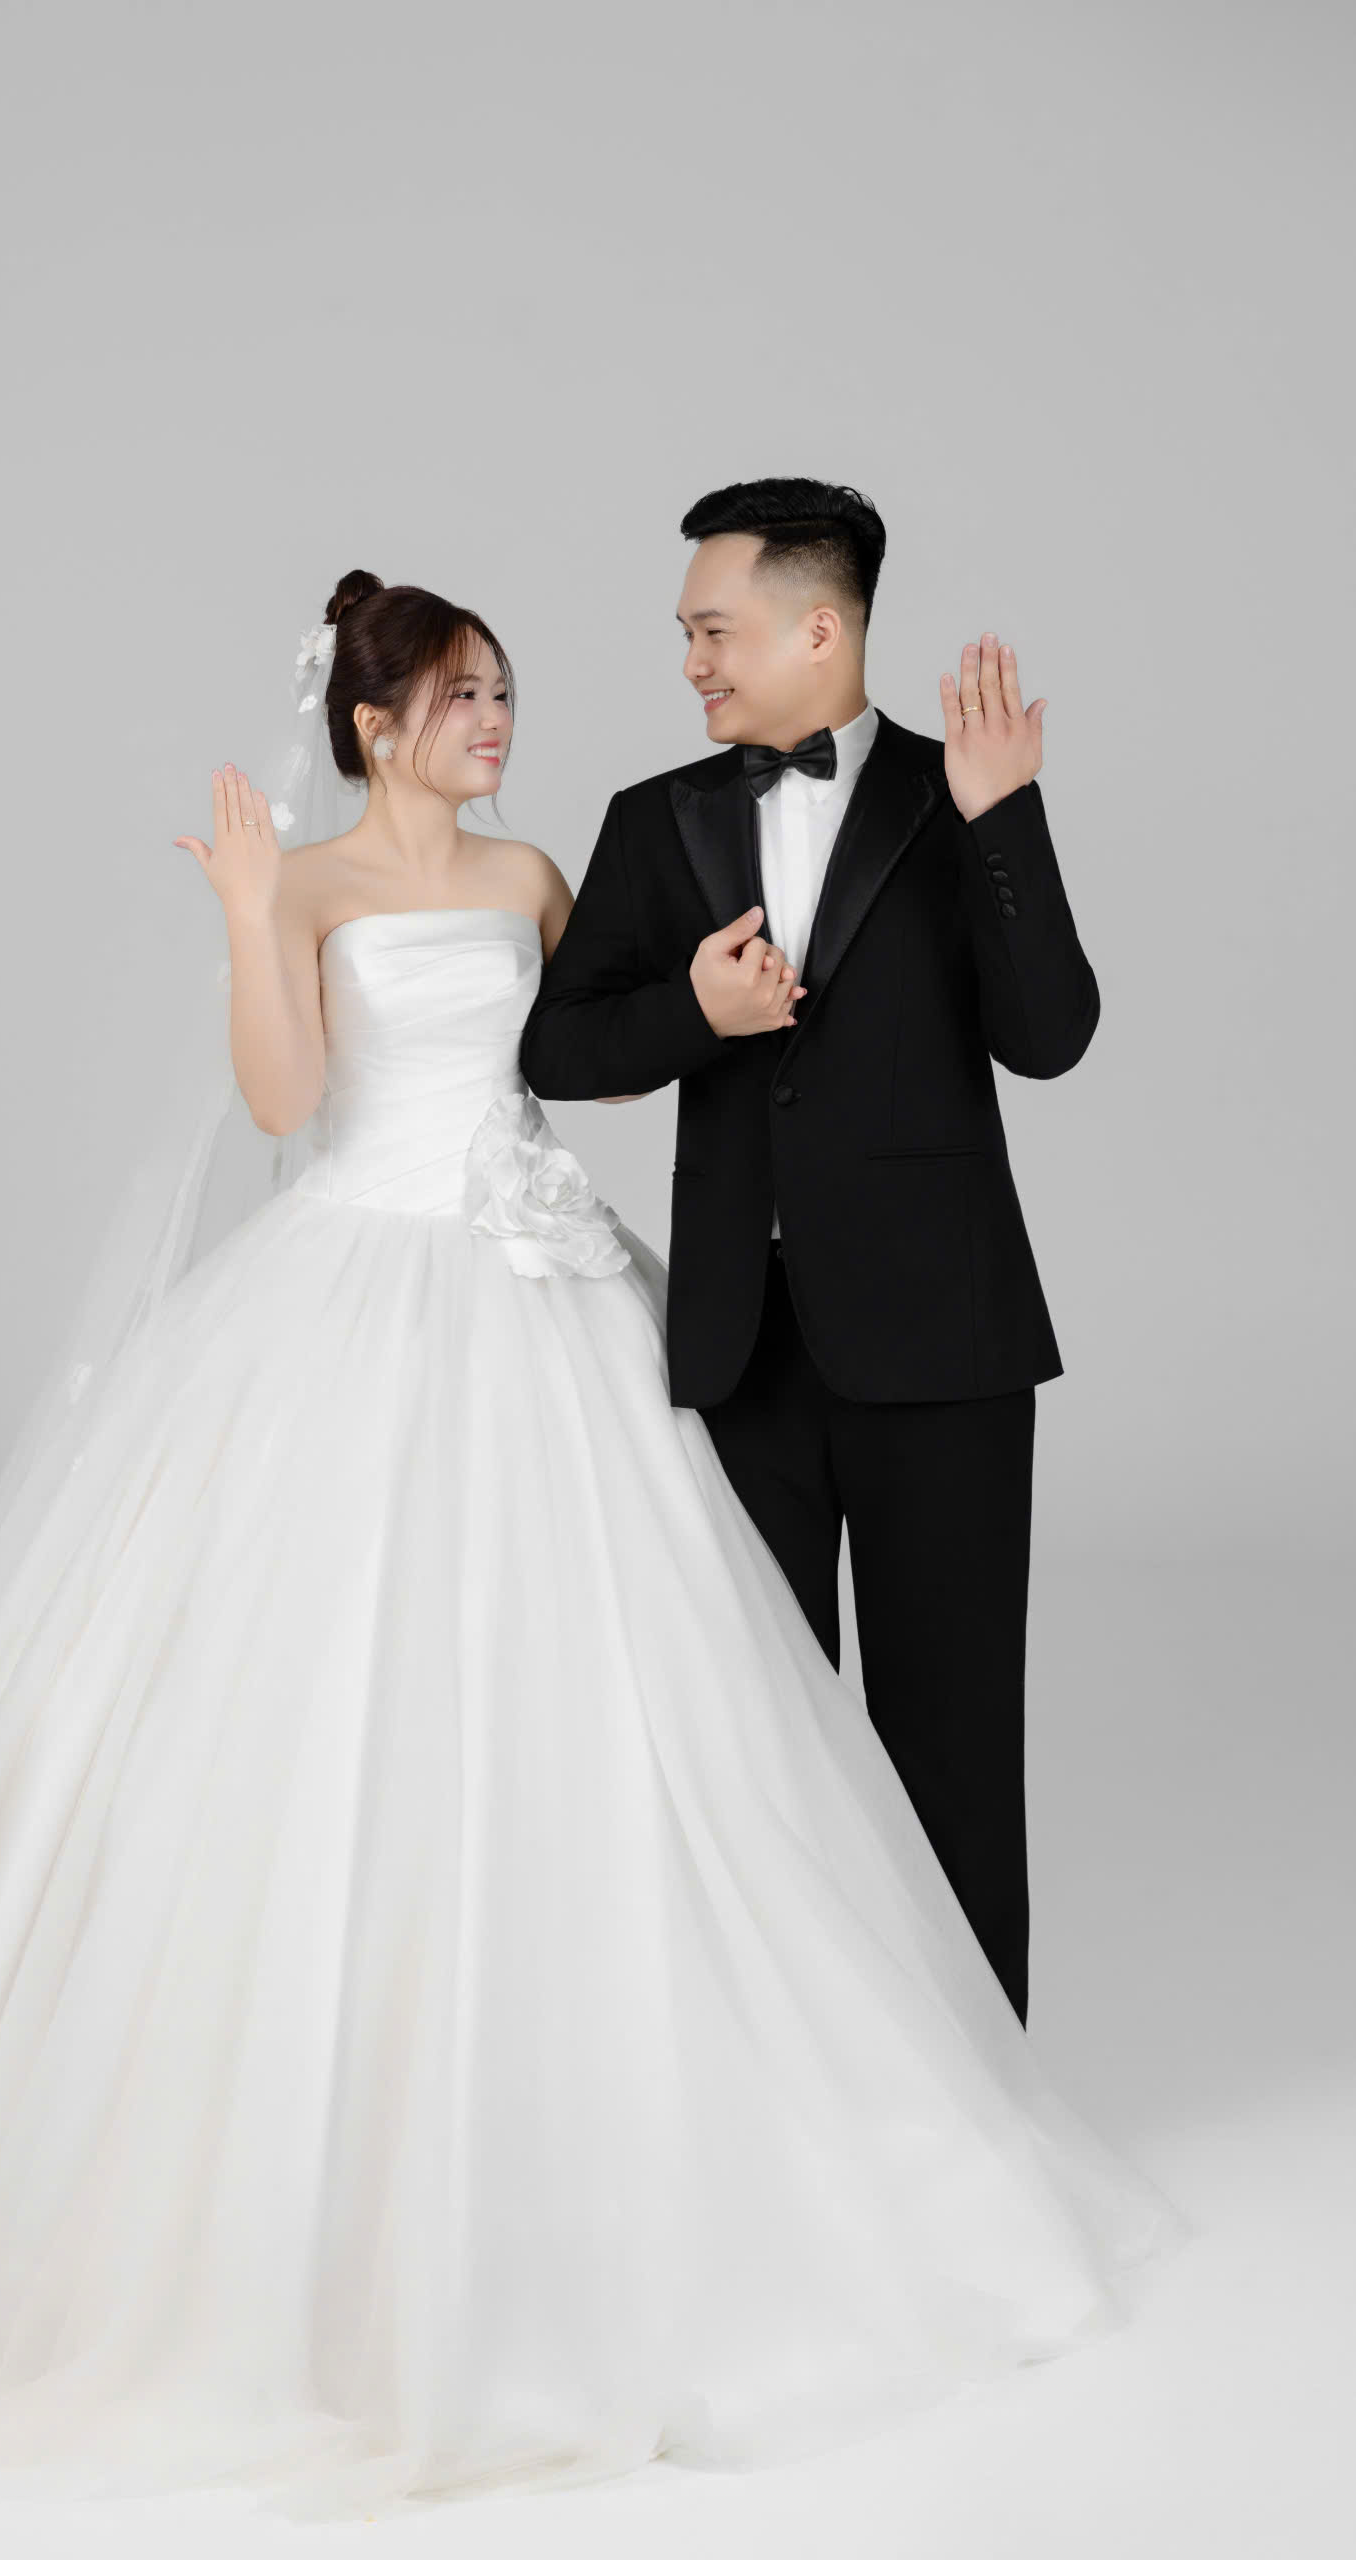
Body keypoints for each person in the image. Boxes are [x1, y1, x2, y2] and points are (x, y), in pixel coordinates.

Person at [0, 570, 1188, 2522]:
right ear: (374, 724)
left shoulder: (538, 873)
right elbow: (284, 1099)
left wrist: (734, 1004)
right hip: (354, 1293)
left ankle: (750, 2108)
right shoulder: (307, 884)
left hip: (545, 1290)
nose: (496, 723)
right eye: (464, 698)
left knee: (642, 1711)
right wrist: (244, 912)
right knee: (317, 1720)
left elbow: (592, 1045)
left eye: (503, 695)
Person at [521, 478, 1096, 2028]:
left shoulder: (957, 793)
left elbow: (1050, 1034)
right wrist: (691, 1014)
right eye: (688, 634)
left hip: (946, 1342)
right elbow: (557, 1048)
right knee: (752, 1741)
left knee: (951, 1736)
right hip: (739, 1345)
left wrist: (1004, 817)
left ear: (819, 629)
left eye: (713, 631)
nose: (691, 663)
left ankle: (976, 2084)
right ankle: (787, 2081)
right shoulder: (655, 818)